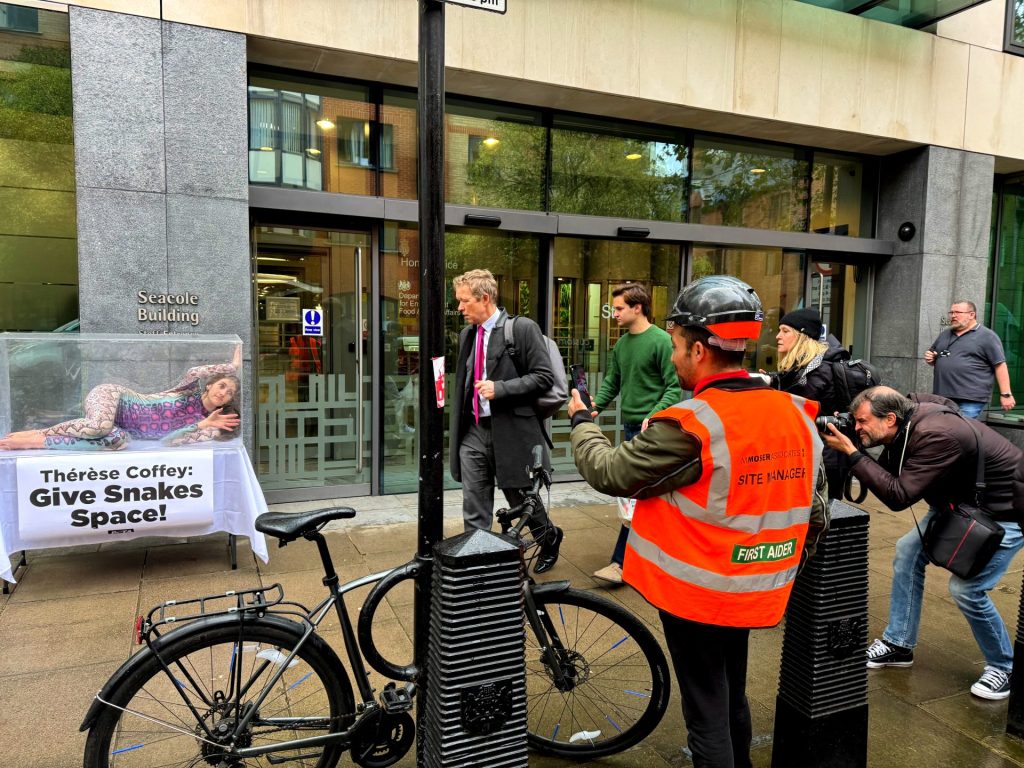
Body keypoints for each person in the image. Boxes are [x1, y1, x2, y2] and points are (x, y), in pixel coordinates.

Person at [569, 275, 826, 768]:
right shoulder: (796, 412)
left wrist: (582, 423)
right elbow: (815, 512)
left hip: (699, 594)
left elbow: (609, 472)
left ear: (701, 350)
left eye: (678, 347)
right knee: (731, 694)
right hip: (762, 583)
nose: (672, 357)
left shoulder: (691, 425)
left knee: (705, 711)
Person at [821, 386, 1024, 700]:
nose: (857, 427)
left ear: (890, 418)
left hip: (1003, 513)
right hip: (957, 504)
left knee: (967, 589)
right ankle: (899, 644)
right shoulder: (905, 420)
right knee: (907, 551)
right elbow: (891, 473)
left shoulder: (937, 435)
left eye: (862, 421)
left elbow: (899, 496)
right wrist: (854, 436)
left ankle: (1005, 667)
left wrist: (852, 453)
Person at [449, 269, 563, 573]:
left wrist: (501, 389)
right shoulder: (467, 335)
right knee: (474, 505)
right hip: (474, 432)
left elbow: (543, 376)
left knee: (522, 500)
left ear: (484, 298)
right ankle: (479, 566)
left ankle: (548, 537)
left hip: (513, 432)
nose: (459, 308)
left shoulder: (522, 329)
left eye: (463, 301)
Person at [589, 283, 682, 585]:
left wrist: (653, 415)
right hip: (631, 427)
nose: (613, 314)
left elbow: (674, 386)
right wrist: (595, 407)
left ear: (637, 307)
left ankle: (621, 564)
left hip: (652, 430)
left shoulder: (661, 342)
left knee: (636, 499)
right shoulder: (622, 344)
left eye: (618, 308)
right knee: (642, 499)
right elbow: (612, 381)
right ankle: (653, 558)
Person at [0, 352, 241, 451]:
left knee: (117, 440)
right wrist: (231, 367)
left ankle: (39, 442)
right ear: (210, 385)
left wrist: (201, 425)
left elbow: (167, 441)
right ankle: (38, 431)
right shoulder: (188, 390)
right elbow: (195, 371)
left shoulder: (201, 422)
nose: (224, 392)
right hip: (114, 398)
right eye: (222, 385)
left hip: (124, 429)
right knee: (100, 427)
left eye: (229, 392)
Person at [771, 307, 851, 499]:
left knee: (816, 521)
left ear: (802, 336)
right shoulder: (804, 368)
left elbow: (795, 413)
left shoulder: (817, 370)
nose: (777, 336)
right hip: (817, 456)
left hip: (823, 460)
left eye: (785, 330)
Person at [925, 300, 1016, 418]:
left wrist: (1006, 394)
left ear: (971, 315)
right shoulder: (945, 334)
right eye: (951, 312)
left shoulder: (987, 336)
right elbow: (938, 356)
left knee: (962, 431)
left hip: (970, 398)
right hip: (943, 397)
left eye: (957, 312)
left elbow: (999, 365)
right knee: (946, 432)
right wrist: (931, 358)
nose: (953, 316)